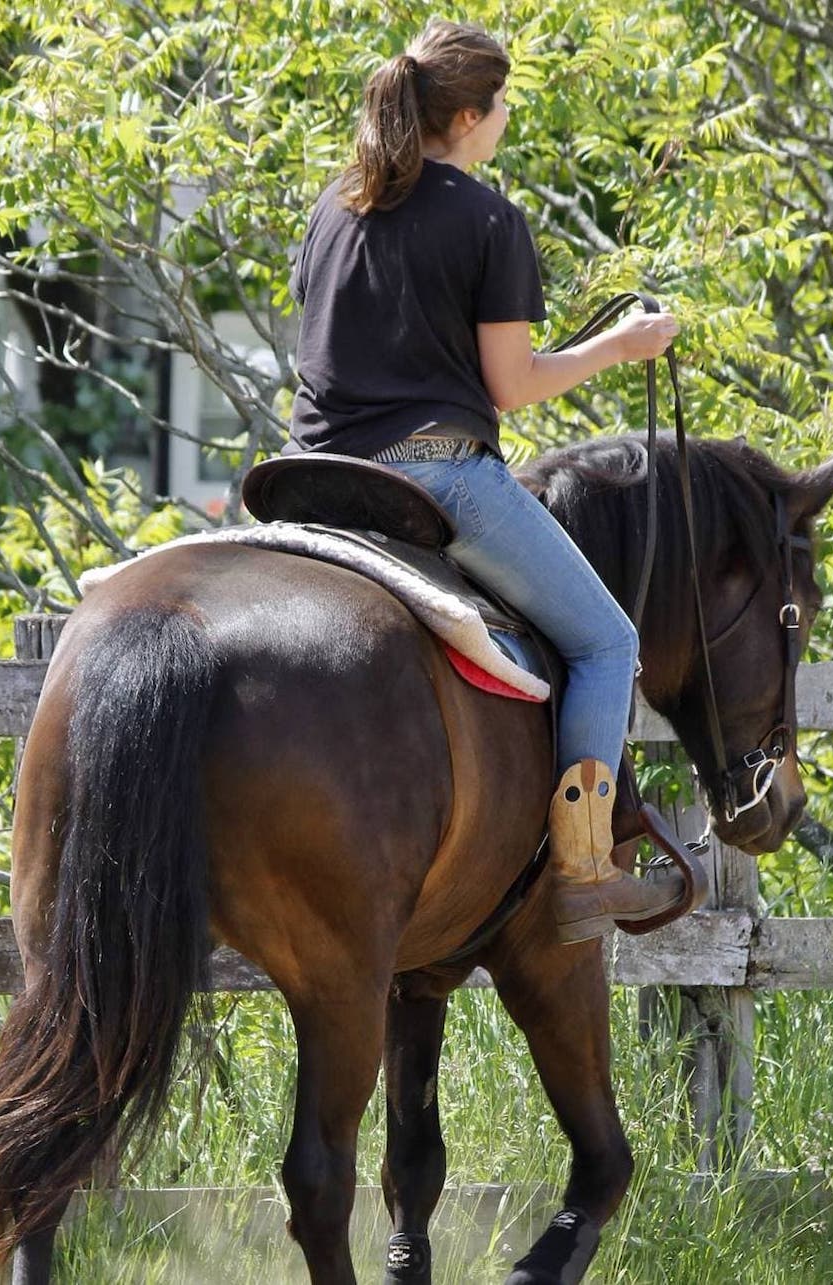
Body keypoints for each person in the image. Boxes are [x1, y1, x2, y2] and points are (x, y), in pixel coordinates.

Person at [287, 19, 684, 942]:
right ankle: (585, 866)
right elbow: (513, 385)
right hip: (434, 481)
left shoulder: (332, 209)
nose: (504, 119)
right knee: (604, 641)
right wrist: (620, 347)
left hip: (308, 481)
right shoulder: (487, 219)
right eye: (501, 105)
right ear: (466, 116)